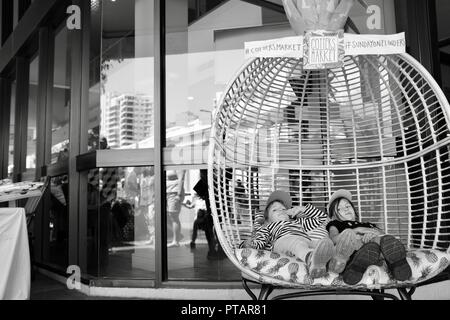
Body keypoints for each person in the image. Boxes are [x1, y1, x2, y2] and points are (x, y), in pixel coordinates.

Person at [326, 189, 412, 285]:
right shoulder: (336, 224)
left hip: (377, 248)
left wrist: (373, 234)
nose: (346, 209)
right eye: (339, 209)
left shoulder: (368, 224)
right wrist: (357, 230)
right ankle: (355, 268)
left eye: (347, 206)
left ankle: (398, 264)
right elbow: (334, 239)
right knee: (354, 241)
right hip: (356, 250)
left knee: (384, 241)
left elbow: (384, 235)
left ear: (354, 209)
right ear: (333, 216)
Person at [243, 190, 335, 279]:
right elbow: (261, 240)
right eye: (275, 210)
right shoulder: (269, 226)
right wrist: (252, 244)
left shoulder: (298, 222)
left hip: (306, 242)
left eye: (283, 209)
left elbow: (322, 219)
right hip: (283, 242)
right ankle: (311, 260)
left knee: (323, 244)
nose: (281, 210)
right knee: (296, 243)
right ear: (267, 220)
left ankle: (335, 261)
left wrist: (303, 209)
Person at [166, 170, 186, 247]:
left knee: (173, 216)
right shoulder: (170, 164)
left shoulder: (179, 164)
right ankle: (177, 236)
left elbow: (181, 179)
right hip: (169, 192)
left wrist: (179, 194)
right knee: (170, 216)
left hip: (174, 193)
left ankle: (176, 241)